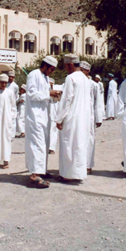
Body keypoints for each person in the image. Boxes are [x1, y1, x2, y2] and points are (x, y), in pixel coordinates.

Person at [55, 54, 91, 182]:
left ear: (70, 64)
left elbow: (66, 100)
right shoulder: (86, 79)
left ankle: (67, 175)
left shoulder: (71, 78)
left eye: (65, 66)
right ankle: (79, 174)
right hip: (83, 118)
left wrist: (59, 119)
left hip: (72, 117)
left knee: (69, 145)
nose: (65, 69)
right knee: (80, 145)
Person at [25, 56, 59, 188]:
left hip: (44, 116)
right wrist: (48, 94)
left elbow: (44, 95)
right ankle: (34, 175)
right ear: (45, 65)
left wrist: (53, 96)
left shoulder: (45, 78)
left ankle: (41, 170)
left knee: (44, 145)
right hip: (34, 116)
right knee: (37, 145)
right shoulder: (34, 75)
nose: (52, 72)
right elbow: (32, 94)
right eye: (51, 69)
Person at [80, 62, 103, 174]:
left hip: (89, 116)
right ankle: (78, 165)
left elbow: (98, 102)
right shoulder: (76, 82)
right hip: (78, 115)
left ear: (87, 71)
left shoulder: (93, 84)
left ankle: (88, 165)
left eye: (82, 70)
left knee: (89, 140)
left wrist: (99, 118)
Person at [48, 77, 61, 154]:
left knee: (53, 130)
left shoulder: (56, 92)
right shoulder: (45, 92)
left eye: (51, 84)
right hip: (46, 114)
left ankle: (51, 148)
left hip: (54, 113)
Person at [6, 70, 19, 139]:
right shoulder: (5, 84)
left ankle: (12, 135)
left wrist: (15, 102)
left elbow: (16, 96)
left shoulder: (15, 86)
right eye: (9, 77)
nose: (11, 78)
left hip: (12, 104)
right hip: (6, 103)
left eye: (12, 77)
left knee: (13, 119)